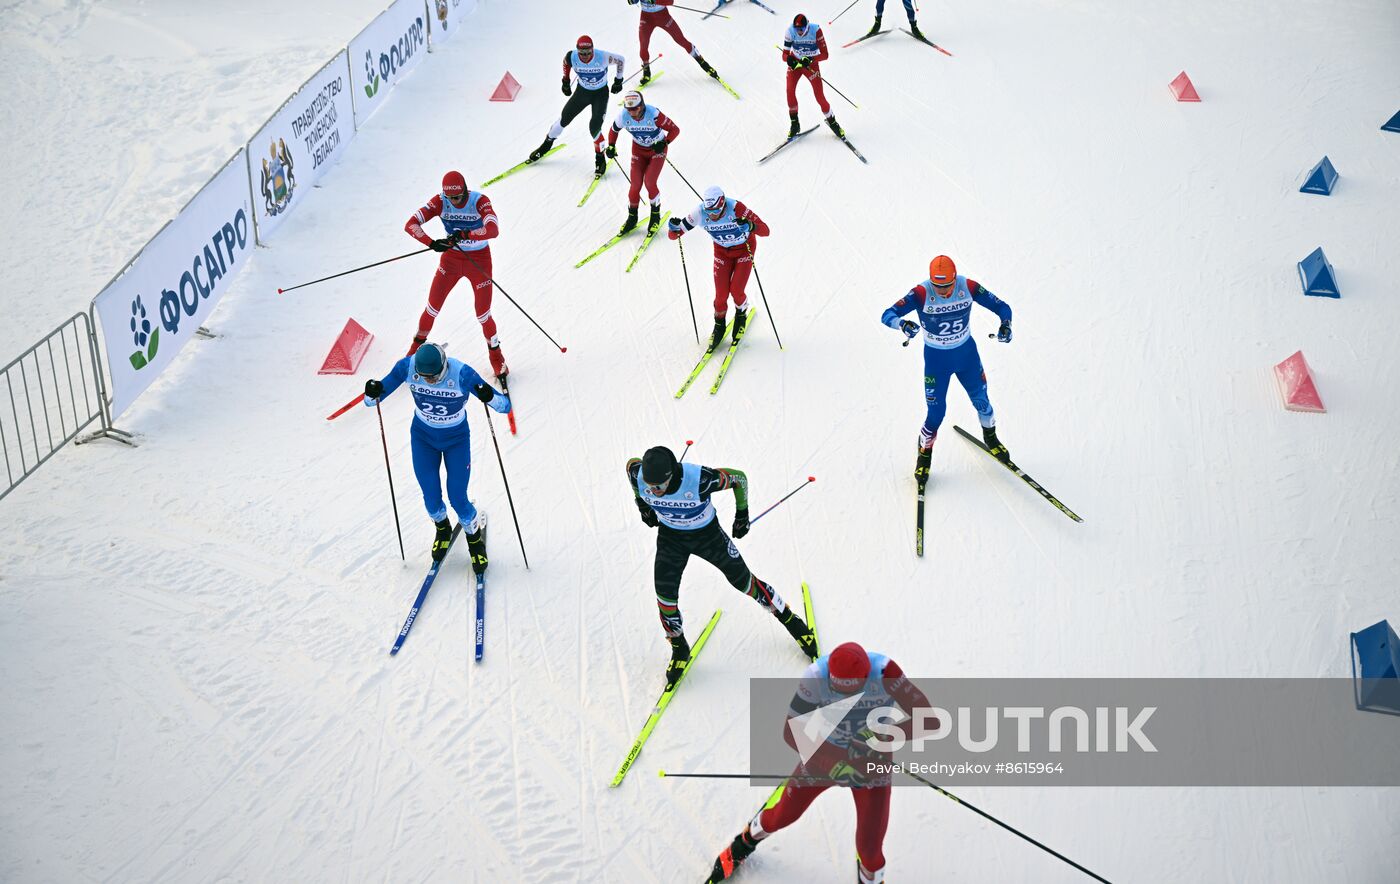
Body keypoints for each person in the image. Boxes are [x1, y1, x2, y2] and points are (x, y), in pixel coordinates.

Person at [708, 641, 933, 883]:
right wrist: (835, 764)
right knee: (782, 816)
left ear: (866, 676)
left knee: (870, 852)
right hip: (824, 757)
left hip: (870, 763)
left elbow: (929, 720)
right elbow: (790, 732)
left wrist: (881, 736)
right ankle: (746, 840)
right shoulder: (816, 676)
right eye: (840, 694)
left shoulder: (885, 672)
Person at [627, 446, 817, 688]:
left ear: (672, 475)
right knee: (665, 598)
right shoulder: (639, 474)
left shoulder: (700, 479)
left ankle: (791, 621)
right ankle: (679, 647)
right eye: (649, 487)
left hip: (708, 537)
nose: (654, 492)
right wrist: (642, 504)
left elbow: (738, 478)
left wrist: (741, 514)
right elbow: (630, 465)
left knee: (745, 583)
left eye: (658, 487)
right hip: (670, 540)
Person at [362, 343, 511, 570]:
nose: (429, 381)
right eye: (424, 377)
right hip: (423, 438)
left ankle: (474, 540)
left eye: (433, 377)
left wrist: (488, 395)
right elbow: (372, 401)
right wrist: (372, 391)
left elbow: (504, 407)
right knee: (430, 496)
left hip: (456, 440)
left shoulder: (462, 373)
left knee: (457, 498)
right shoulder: (407, 367)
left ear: (444, 366)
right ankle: (442, 528)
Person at [880, 255, 1013, 485]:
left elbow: (1002, 306)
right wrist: (902, 324)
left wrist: (1006, 324)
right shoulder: (921, 293)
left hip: (967, 357)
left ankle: (991, 439)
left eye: (947, 286)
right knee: (935, 414)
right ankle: (924, 456)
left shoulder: (967, 286)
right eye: (938, 286)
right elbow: (887, 315)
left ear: (955, 278)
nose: (943, 291)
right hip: (936, 362)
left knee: (982, 402)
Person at [402, 171, 508, 379]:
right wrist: (432, 243)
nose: (453, 201)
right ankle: (413, 352)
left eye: (457, 197)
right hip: (451, 259)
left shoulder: (480, 201)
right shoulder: (440, 201)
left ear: (465, 191)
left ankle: (496, 355)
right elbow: (410, 224)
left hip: (479, 260)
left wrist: (467, 235)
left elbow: (493, 230)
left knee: (482, 314)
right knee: (432, 307)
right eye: (449, 198)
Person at [667, 186, 770, 351]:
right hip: (722, 252)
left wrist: (750, 226)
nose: (712, 215)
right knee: (720, 296)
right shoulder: (700, 212)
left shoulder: (736, 208)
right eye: (709, 211)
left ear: (722, 205)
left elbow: (765, 230)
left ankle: (741, 313)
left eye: (715, 211)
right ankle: (719, 326)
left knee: (736, 290)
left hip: (744, 248)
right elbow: (675, 235)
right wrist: (673, 228)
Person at [527, 36, 626, 178]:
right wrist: (565, 81)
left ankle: (600, 158)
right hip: (582, 93)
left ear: (593, 49)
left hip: (600, 95)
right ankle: (545, 146)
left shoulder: (602, 57)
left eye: (588, 53)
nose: (585, 56)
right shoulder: (572, 56)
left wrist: (618, 80)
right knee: (564, 118)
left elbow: (620, 60)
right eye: (582, 53)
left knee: (594, 127)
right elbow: (566, 63)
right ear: (577, 51)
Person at [606, 91, 680, 237]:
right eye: (629, 109)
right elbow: (613, 130)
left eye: (635, 109)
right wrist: (611, 146)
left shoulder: (653, 114)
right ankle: (632, 218)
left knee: (650, 182)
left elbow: (675, 130)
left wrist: (664, 142)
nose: (632, 113)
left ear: (642, 106)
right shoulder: (623, 116)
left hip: (656, 150)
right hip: (638, 151)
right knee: (635, 186)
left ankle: (655, 217)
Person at [627, 0, 722, 85]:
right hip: (646, 18)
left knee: (681, 40)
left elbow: (670, 1)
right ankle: (646, 72)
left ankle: (703, 63)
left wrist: (655, 1)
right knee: (643, 45)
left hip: (662, 16)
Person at [782, 14, 844, 138]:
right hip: (797, 64)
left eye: (801, 29)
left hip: (811, 65)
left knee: (819, 96)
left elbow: (825, 55)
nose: (799, 32)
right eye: (797, 29)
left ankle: (832, 121)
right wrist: (789, 60)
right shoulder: (789, 31)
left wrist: (810, 59)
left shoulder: (816, 30)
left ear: (807, 26)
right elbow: (784, 55)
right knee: (789, 91)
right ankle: (795, 123)